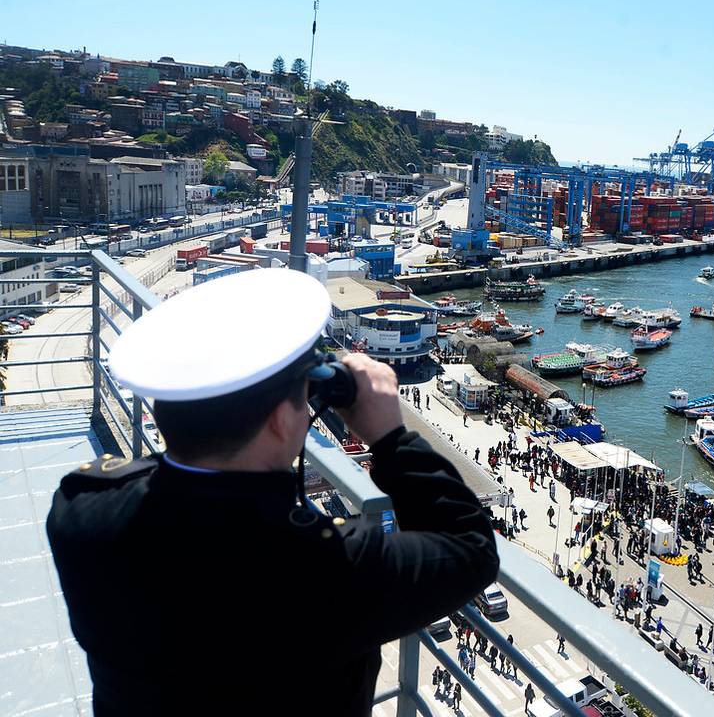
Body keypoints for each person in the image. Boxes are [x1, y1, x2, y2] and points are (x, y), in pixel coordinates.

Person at [44, 269, 499, 716]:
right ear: (283, 421)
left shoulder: (80, 510)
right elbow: (472, 548)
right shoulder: (328, 570)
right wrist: (391, 437)